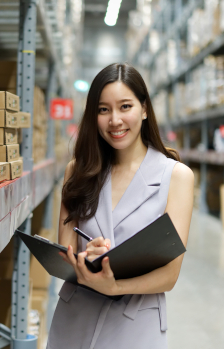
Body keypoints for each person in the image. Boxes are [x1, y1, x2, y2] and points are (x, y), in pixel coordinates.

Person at [47, 63, 194, 349]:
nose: (115, 120)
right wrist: (88, 256)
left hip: (135, 324)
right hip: (75, 318)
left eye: (125, 106)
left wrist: (115, 286)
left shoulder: (175, 177)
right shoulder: (77, 171)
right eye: (103, 110)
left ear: (144, 109)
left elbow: (169, 275)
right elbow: (65, 250)